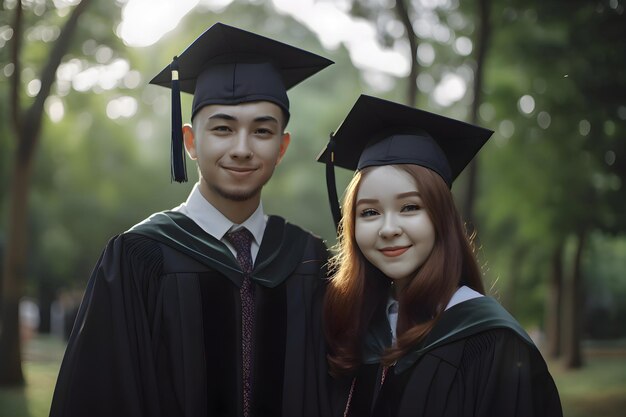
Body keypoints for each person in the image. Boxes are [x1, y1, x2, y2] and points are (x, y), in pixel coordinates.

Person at [50, 23, 333, 417]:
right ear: (190, 142)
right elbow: (102, 394)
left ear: (282, 146)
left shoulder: (308, 259)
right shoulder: (140, 258)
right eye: (223, 128)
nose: (242, 148)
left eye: (262, 131)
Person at [318, 95, 562, 416]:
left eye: (409, 207)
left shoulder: (493, 342)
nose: (388, 228)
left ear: (440, 218)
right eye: (370, 212)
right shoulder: (351, 328)